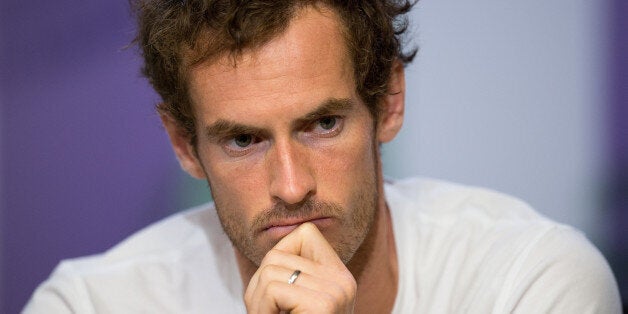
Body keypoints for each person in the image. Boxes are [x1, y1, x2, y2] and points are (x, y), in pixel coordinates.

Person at [25, 0, 621, 313]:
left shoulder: (528, 285)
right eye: (243, 140)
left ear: (388, 103)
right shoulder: (91, 306)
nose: (290, 186)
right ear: (185, 145)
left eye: (323, 124)